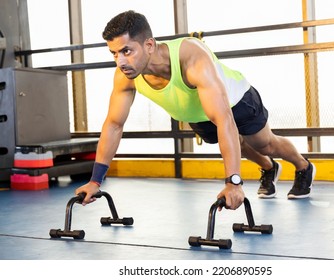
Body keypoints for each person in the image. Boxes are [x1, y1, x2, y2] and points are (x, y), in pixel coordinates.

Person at [75, 10, 316, 210]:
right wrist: (95, 181)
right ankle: (268, 167)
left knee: (266, 144)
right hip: (197, 115)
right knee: (238, 145)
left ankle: (303, 166)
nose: (120, 62)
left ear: (149, 45)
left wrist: (233, 182)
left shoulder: (191, 56)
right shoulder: (125, 76)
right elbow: (114, 124)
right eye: (114, 53)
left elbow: (224, 119)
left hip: (235, 101)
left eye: (127, 51)